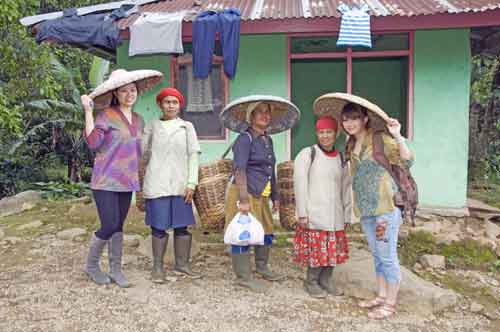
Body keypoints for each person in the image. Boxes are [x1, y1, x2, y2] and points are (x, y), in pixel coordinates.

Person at [81, 69, 162, 287]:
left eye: (132, 90)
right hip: (105, 180)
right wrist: (88, 112)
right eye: (124, 90)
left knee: (119, 226)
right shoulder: (106, 115)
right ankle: (91, 265)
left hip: (127, 182)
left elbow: (141, 152)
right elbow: (92, 143)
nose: (129, 94)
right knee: (109, 224)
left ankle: (116, 269)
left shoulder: (139, 120)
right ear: (116, 93)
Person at [341, 101, 414, 319]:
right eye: (345, 119)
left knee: (387, 255)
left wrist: (398, 136)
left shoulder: (380, 138)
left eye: (354, 118)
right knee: (377, 254)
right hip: (366, 210)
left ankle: (390, 304)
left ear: (365, 119)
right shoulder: (350, 144)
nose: (349, 123)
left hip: (386, 208)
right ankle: (381, 295)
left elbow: (408, 162)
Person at [140, 87, 201, 284]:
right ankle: (157, 267)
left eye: (174, 102)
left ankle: (182, 264)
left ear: (179, 105)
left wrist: (192, 182)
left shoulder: (186, 127)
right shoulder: (152, 126)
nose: (171, 105)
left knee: (181, 226)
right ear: (160, 104)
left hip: (181, 183)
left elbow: (193, 155)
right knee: (158, 227)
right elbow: (142, 153)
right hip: (156, 181)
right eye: (167, 102)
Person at [225, 102, 285, 292]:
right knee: (243, 234)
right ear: (251, 117)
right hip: (244, 190)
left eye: (268, 112)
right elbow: (239, 169)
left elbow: (270, 169)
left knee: (266, 230)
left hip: (262, 192)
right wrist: (243, 199)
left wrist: (275, 195)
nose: (264, 116)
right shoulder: (245, 139)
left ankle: (261, 266)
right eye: (259, 112)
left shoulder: (267, 140)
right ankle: (243, 276)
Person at [293, 116, 351, 298]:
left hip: (335, 214)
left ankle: (326, 280)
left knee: (332, 250)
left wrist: (347, 215)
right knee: (317, 251)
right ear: (317, 134)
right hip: (315, 213)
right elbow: (300, 184)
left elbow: (346, 188)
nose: (325, 136)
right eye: (321, 132)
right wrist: (302, 213)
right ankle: (311, 281)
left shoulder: (342, 158)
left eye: (329, 132)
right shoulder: (308, 154)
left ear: (336, 134)